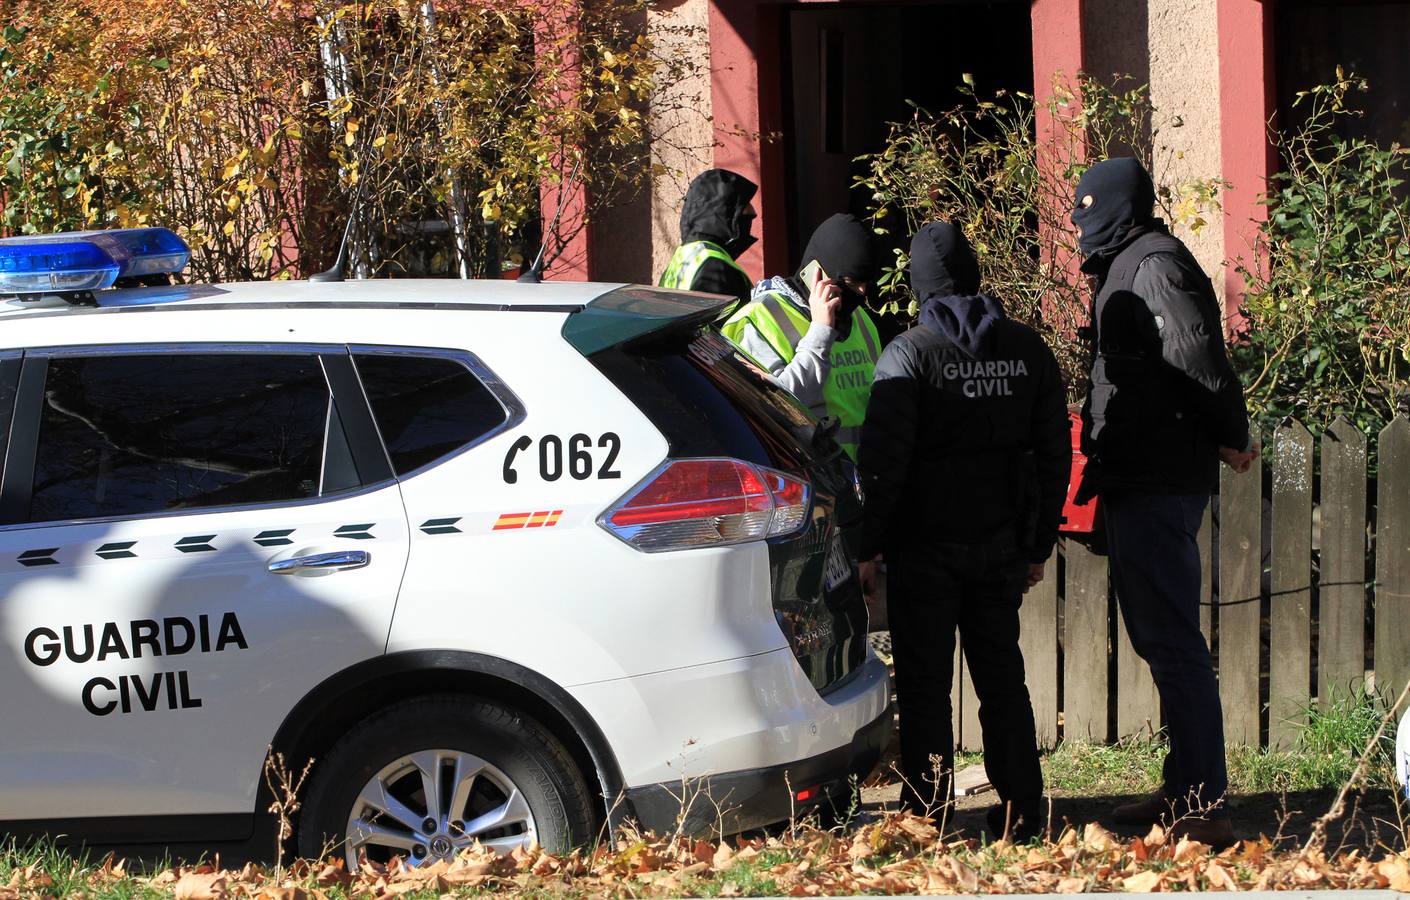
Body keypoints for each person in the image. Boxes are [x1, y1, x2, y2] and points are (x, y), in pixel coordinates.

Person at [857, 222, 1069, 840]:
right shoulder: (1028, 351)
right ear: (976, 276)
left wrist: (869, 545)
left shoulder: (909, 354)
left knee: (924, 685)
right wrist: (1036, 543)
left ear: (920, 285)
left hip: (923, 551)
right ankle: (1023, 809)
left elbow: (883, 465)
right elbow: (1055, 454)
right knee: (1003, 676)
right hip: (1001, 545)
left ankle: (928, 813)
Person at [1069, 157, 1254, 847]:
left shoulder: (1151, 265)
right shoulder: (1133, 261)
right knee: (1160, 638)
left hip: (1158, 478)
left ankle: (1204, 801)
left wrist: (1231, 434)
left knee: (1173, 642)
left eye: (1090, 207)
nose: (1081, 220)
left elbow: (1197, 354)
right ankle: (1184, 787)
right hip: (1140, 474)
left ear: (1120, 206)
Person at [721, 213, 882, 459]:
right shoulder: (760, 319)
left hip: (864, 479)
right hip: (810, 483)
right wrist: (820, 332)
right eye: (851, 281)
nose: (861, 292)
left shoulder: (860, 320)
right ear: (816, 272)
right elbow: (775, 411)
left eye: (865, 283)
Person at [658, 168, 758, 307]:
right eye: (743, 207)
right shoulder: (715, 266)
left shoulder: (681, 259)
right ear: (724, 211)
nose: (753, 212)